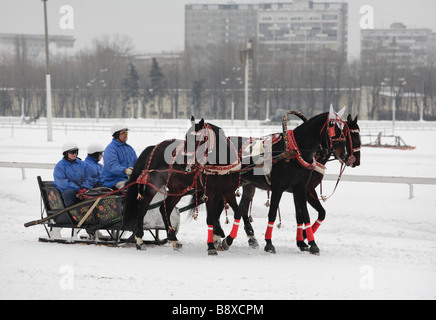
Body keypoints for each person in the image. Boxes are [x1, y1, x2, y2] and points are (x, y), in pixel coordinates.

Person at [53, 141, 93, 207]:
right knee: (69, 193)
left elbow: (88, 177)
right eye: (72, 152)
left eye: (76, 152)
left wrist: (85, 187)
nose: (75, 154)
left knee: (93, 193)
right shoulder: (60, 166)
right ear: (66, 153)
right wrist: (78, 189)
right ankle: (71, 213)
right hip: (68, 191)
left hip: (82, 190)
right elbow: (62, 183)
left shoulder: (82, 164)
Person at [101, 123, 137, 189]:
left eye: (126, 133)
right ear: (116, 135)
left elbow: (136, 163)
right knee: (130, 189)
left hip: (127, 179)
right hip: (113, 181)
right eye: (123, 133)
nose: (126, 135)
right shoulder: (111, 149)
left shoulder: (129, 149)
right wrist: (125, 171)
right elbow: (112, 166)